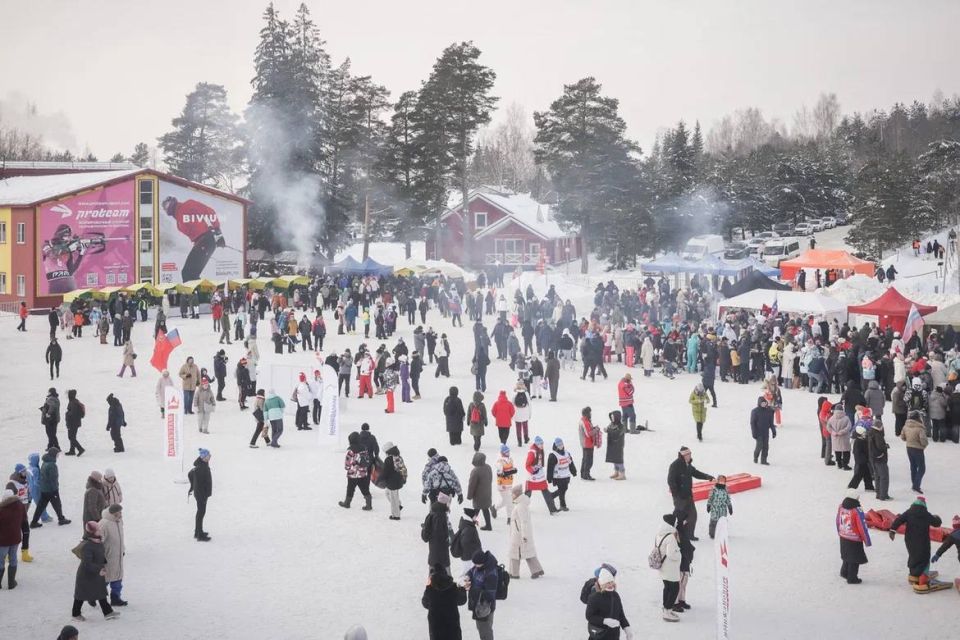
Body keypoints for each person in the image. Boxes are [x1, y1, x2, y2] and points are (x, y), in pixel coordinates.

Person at [889, 496, 943, 591]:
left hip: (910, 540)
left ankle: (913, 574)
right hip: (922, 541)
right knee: (924, 558)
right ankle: (922, 581)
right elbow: (936, 523)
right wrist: (938, 518)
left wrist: (892, 530)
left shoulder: (909, 512)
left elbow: (898, 520)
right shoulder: (926, 514)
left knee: (913, 555)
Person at [71, 521, 119, 621]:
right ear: (92, 532)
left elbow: (99, 554)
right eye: (98, 529)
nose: (100, 530)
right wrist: (99, 570)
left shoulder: (98, 541)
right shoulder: (87, 545)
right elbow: (86, 563)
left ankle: (108, 612)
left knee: (101, 593)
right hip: (86, 575)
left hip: (96, 573)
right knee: (80, 595)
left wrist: (105, 562)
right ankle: (75, 614)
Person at [667, 447, 713, 541]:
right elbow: (670, 481)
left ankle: (689, 535)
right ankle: (673, 535)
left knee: (693, 516)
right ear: (683, 455)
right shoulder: (675, 465)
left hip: (688, 495)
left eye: (690, 454)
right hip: (679, 497)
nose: (690, 456)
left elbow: (696, 473)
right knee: (679, 517)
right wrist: (676, 494)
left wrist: (708, 477)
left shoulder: (688, 465)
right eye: (688, 454)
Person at [421, 564, 466, 640]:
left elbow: (425, 603)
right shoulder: (453, 587)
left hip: (436, 625)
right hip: (452, 624)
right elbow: (462, 601)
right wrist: (462, 590)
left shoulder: (430, 589)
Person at [508, 484, 544, 578]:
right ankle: (537, 570)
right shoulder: (521, 504)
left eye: (512, 494)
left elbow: (524, 522)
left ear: (516, 494)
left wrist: (524, 536)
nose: (511, 495)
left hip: (518, 535)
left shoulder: (520, 506)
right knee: (527, 552)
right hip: (519, 533)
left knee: (514, 554)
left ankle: (513, 573)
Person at [836, 489, 871, 584]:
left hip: (843, 535)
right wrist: (867, 540)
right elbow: (862, 526)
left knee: (846, 555)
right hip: (854, 538)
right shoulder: (857, 510)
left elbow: (838, 520)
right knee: (855, 558)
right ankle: (852, 577)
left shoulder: (841, 506)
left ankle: (844, 572)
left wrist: (839, 531)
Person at [29, 447, 70, 528]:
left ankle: (34, 522)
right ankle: (61, 519)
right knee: (57, 504)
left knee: (40, 506)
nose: (58, 456)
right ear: (54, 455)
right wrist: (54, 489)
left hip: (44, 489)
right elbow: (52, 479)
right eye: (57, 454)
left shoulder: (45, 462)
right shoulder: (52, 465)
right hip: (51, 489)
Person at [465, 550, 499, 640]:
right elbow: (472, 571)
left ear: (483, 562)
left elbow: (489, 594)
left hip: (485, 607)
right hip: (478, 604)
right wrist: (468, 576)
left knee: (485, 631)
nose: (475, 566)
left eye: (477, 564)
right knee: (480, 628)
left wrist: (472, 589)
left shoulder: (491, 573)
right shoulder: (479, 567)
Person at [98, 504, 126, 606]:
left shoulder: (118, 521)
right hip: (108, 556)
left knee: (117, 578)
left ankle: (115, 598)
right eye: (119, 512)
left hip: (117, 555)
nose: (121, 514)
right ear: (113, 513)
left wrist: (122, 549)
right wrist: (101, 556)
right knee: (105, 580)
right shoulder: (104, 524)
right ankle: (93, 595)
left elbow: (120, 537)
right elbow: (98, 540)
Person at [657, 513, 683, 622]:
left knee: (667, 587)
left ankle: (666, 609)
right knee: (674, 588)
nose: (676, 523)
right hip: (670, 568)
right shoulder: (671, 536)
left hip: (662, 567)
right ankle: (667, 611)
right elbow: (672, 554)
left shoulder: (659, 534)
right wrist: (679, 553)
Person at [338, 432, 373, 510]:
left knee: (350, 488)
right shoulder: (364, 448)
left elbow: (347, 464)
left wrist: (348, 468)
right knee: (365, 489)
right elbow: (367, 459)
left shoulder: (350, 450)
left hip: (352, 474)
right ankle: (369, 505)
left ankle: (347, 503)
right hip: (362, 473)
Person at [524, 436, 558, 513]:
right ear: (536, 444)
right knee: (528, 493)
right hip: (532, 476)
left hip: (540, 475)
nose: (542, 445)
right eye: (540, 444)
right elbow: (527, 465)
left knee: (545, 490)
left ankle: (553, 509)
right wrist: (533, 471)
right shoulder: (532, 453)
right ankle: (522, 509)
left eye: (542, 443)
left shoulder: (540, 450)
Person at [0, 488, 26, 589]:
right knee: (13, 558)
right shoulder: (20, 506)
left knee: (0, 561)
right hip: (15, 538)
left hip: (3, 540)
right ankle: (11, 582)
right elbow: (24, 519)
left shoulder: (1, 510)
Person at [421, 493, 453, 569]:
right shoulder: (440, 515)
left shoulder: (435, 511)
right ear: (444, 503)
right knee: (442, 570)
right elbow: (439, 533)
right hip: (439, 549)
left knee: (433, 568)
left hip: (434, 548)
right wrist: (447, 540)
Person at [900, 411, 928, 493]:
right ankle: (916, 486)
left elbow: (902, 437)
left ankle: (914, 483)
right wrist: (924, 445)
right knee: (922, 468)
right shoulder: (920, 428)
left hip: (909, 448)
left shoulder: (906, 426)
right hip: (918, 449)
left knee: (913, 466)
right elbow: (923, 440)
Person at [188, 449, 213, 541]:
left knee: (200, 513)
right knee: (200, 513)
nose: (210, 456)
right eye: (208, 455)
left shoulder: (202, 464)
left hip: (201, 495)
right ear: (203, 457)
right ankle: (199, 535)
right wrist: (203, 496)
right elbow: (197, 481)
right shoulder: (201, 468)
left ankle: (197, 531)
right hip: (201, 496)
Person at [546, 437, 577, 511]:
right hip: (558, 476)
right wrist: (549, 478)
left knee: (564, 488)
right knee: (562, 489)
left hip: (566, 475)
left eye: (561, 445)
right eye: (559, 445)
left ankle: (551, 496)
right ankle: (563, 505)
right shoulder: (553, 455)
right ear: (556, 446)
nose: (560, 446)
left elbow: (571, 463)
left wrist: (574, 471)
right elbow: (550, 468)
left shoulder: (567, 453)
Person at [380, 441, 407, 521]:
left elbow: (386, 472)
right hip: (398, 480)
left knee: (393, 498)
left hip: (392, 482)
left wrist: (381, 479)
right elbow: (403, 468)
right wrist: (404, 478)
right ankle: (398, 506)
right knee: (388, 494)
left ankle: (396, 515)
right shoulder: (398, 457)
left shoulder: (388, 459)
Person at [467, 452, 494, 530]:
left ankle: (472, 525)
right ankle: (488, 525)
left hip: (478, 494)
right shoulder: (488, 467)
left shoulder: (475, 471)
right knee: (485, 509)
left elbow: (471, 485)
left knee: (476, 509)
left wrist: (469, 496)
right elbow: (491, 478)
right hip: (487, 492)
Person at [750, 395, 776, 465]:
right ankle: (755, 457)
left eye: (765, 403)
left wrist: (773, 431)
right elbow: (752, 423)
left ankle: (763, 460)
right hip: (758, 433)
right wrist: (754, 433)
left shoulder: (768, 411)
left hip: (766, 433)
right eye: (762, 403)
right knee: (759, 446)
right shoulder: (755, 411)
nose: (764, 405)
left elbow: (771, 422)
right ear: (759, 403)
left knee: (766, 447)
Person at [494, 445, 517, 524]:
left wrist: (512, 471)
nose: (508, 453)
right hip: (502, 485)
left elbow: (513, 469)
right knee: (509, 501)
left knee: (505, 500)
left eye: (508, 451)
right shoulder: (499, 461)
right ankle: (509, 518)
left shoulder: (510, 459)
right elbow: (501, 474)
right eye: (506, 452)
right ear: (502, 453)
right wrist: (511, 471)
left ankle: (494, 508)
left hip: (509, 483)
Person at [827, 404, 852, 470]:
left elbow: (828, 427)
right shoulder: (846, 418)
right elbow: (849, 427)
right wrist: (842, 432)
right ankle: (845, 464)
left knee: (837, 451)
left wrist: (833, 432)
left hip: (835, 438)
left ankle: (839, 464)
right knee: (846, 451)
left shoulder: (831, 418)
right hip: (844, 438)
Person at [604, 410, 626, 480]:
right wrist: (607, 429)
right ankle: (616, 472)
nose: (612, 418)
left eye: (613, 417)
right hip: (612, 444)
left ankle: (622, 474)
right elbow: (610, 429)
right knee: (614, 459)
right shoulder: (611, 424)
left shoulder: (621, 426)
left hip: (618, 445)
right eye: (611, 417)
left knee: (619, 459)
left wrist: (608, 430)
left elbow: (617, 434)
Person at [578, 406, 598, 481]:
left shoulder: (584, 420)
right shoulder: (585, 422)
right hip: (587, 444)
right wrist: (596, 430)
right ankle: (586, 474)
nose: (591, 414)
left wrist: (593, 428)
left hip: (585, 443)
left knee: (585, 459)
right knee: (589, 460)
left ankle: (583, 474)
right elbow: (588, 434)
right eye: (590, 413)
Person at [64, 389, 86, 457]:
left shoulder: (73, 403)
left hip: (72, 423)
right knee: (72, 436)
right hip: (75, 422)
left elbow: (73, 413)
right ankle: (72, 450)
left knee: (71, 437)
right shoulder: (75, 401)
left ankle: (80, 449)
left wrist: (67, 413)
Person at [512, 382, 531, 446]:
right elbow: (529, 404)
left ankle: (519, 441)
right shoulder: (526, 393)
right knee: (525, 426)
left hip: (517, 414)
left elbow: (512, 404)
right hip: (525, 413)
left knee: (518, 428)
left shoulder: (514, 393)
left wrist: (512, 415)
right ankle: (526, 439)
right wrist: (529, 414)